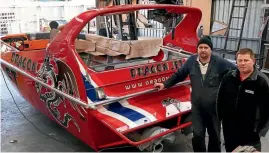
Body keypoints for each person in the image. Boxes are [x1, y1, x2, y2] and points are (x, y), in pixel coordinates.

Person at [154, 36, 236, 152]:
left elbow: (235, 73)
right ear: (197, 49)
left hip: (214, 109)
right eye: (200, 47)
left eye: (206, 47)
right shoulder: (192, 61)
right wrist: (165, 84)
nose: (203, 50)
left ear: (210, 49)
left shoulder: (220, 63)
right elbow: (179, 75)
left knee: (215, 136)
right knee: (197, 136)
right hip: (197, 107)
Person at [216, 48, 269, 152]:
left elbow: (267, 109)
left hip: (250, 135)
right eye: (240, 60)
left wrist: (259, 131)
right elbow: (220, 99)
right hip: (229, 131)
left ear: (253, 61)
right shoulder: (229, 77)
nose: (242, 63)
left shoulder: (262, 81)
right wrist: (220, 119)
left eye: (246, 60)